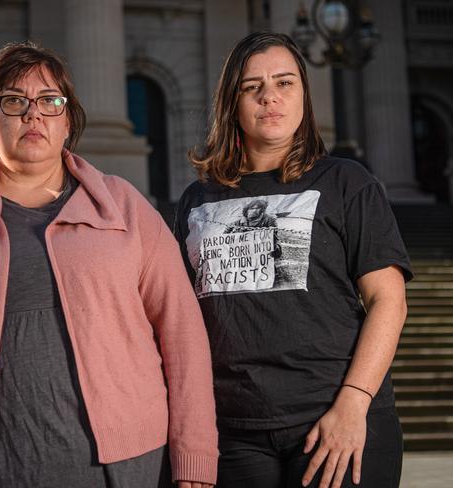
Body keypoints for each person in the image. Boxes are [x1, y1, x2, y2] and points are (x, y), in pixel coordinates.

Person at [0, 41, 218, 488]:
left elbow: (183, 334)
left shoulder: (125, 207)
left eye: (50, 101)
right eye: (13, 101)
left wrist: (194, 457)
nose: (33, 114)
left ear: (67, 121)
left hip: (120, 470)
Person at [174, 32, 411, 488]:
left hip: (335, 418)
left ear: (304, 95)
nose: (269, 98)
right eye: (252, 87)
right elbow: (183, 319)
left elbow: (389, 301)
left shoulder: (346, 182)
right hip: (234, 432)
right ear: (232, 102)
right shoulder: (196, 199)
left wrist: (353, 404)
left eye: (284, 83)